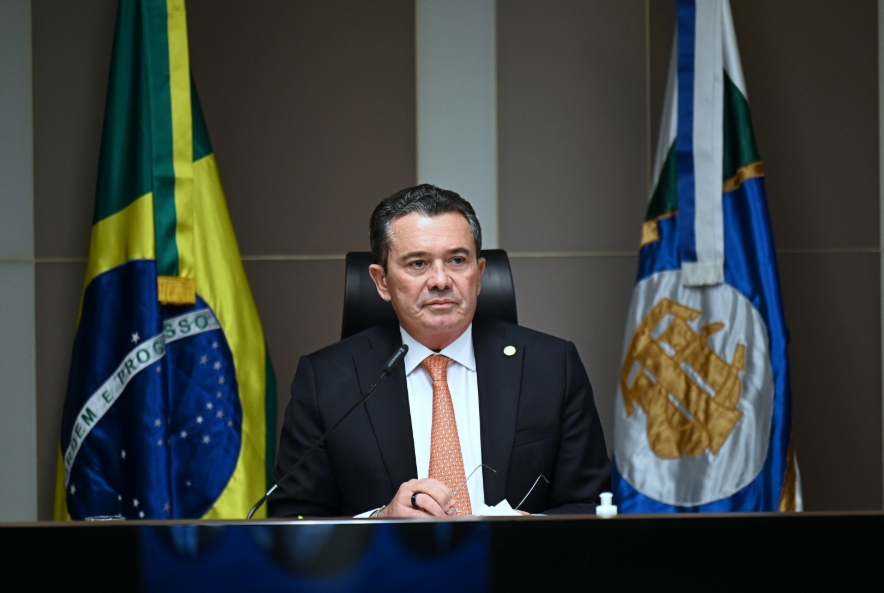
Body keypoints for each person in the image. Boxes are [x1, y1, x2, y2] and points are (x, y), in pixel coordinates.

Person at [268, 184, 611, 518]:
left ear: (479, 274)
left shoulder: (552, 366)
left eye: (457, 260)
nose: (441, 280)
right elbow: (292, 518)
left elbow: (592, 503)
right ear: (382, 281)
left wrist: (532, 532)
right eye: (418, 263)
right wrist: (380, 520)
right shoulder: (325, 381)